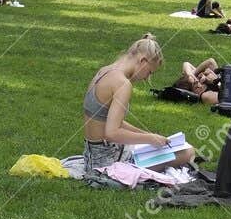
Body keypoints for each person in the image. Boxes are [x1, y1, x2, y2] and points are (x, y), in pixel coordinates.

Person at [83, 34, 196, 183]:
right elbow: (112, 133)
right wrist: (150, 139)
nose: (146, 78)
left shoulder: (104, 71)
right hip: (108, 161)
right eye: (149, 72)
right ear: (143, 61)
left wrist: (148, 135)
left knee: (160, 147)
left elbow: (110, 121)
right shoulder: (122, 84)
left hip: (92, 155)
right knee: (188, 152)